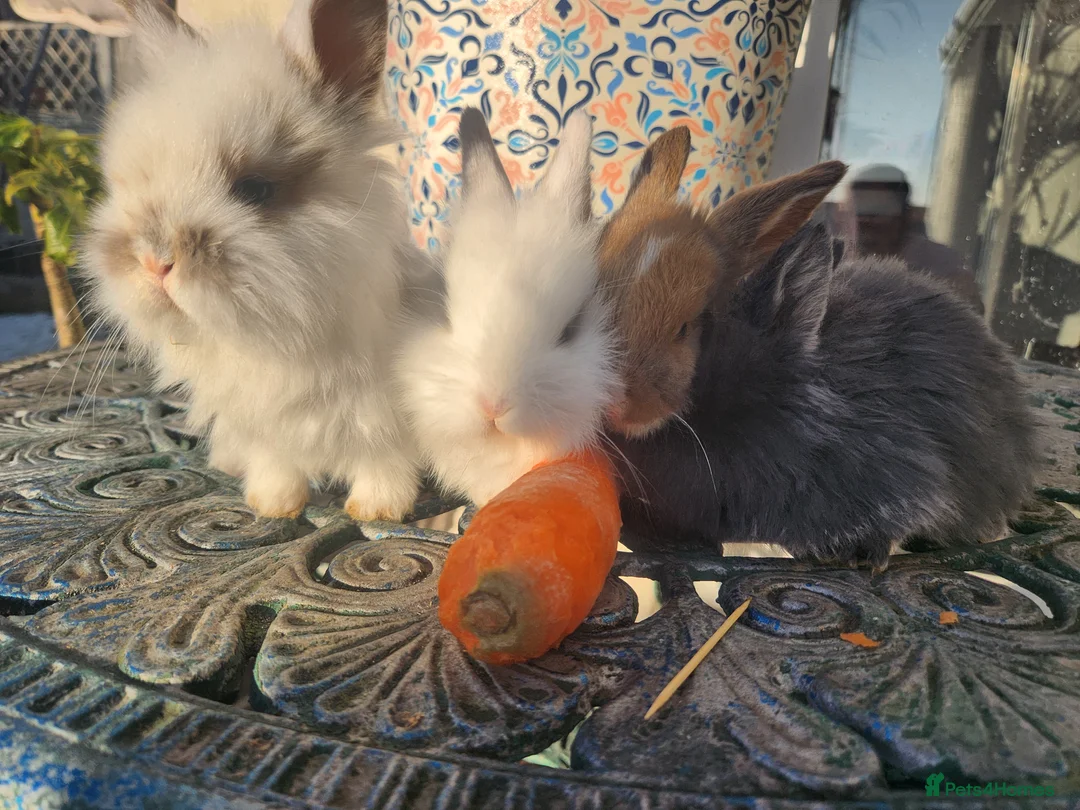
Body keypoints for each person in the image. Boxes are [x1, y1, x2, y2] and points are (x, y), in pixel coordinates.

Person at [839, 164, 983, 313]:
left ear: (905, 215)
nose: (866, 222)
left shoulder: (943, 266)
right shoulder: (834, 262)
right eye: (857, 210)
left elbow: (973, 317)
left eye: (879, 209)